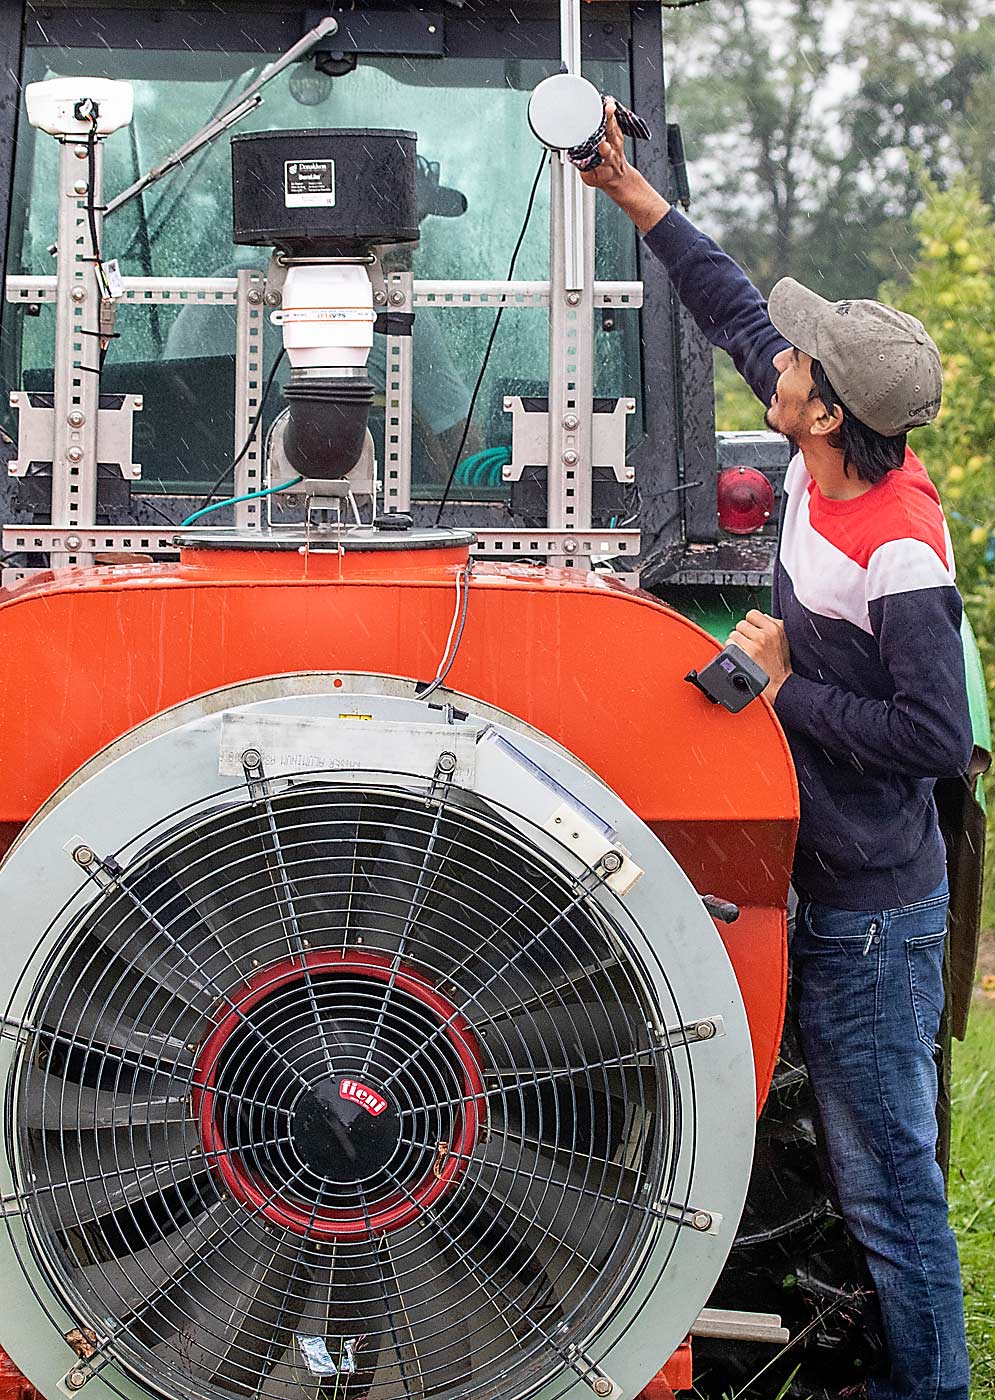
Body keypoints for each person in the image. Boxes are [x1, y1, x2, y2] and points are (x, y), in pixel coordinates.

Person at [581, 103, 973, 1400]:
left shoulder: (902, 548)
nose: (776, 362)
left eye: (797, 362)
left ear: (827, 411)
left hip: (877, 913)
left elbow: (938, 739)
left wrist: (785, 688)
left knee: (889, 1181)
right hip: (825, 870)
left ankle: (927, 1385)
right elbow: (731, 303)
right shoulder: (821, 459)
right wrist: (632, 194)